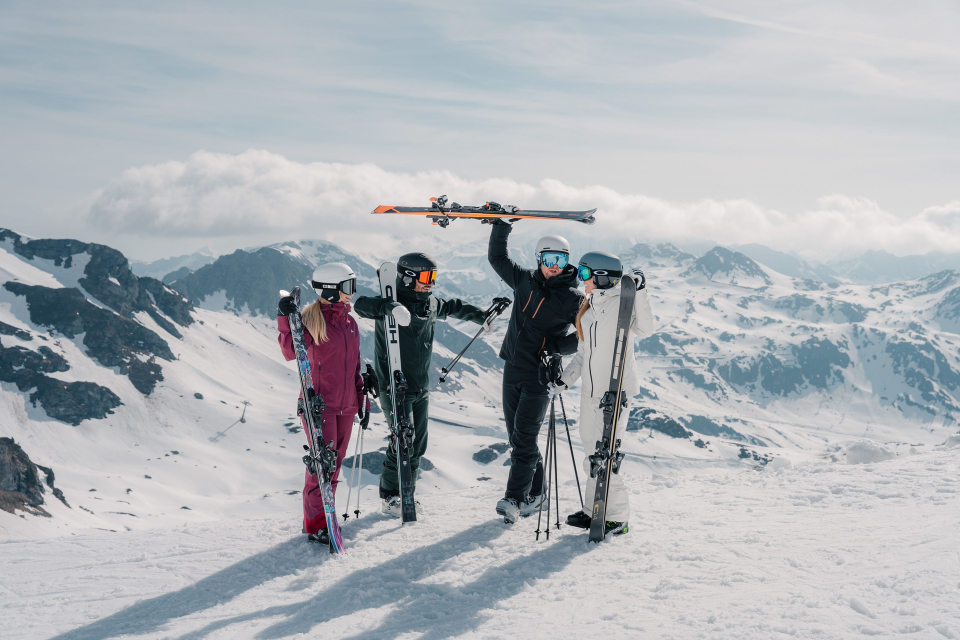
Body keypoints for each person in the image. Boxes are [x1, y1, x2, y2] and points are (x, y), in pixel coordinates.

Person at [354, 252, 493, 516]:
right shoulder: (390, 302)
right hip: (394, 387)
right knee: (402, 442)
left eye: (434, 277)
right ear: (407, 277)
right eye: (426, 277)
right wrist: (389, 308)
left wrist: (480, 316)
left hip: (420, 388)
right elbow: (361, 305)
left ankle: (407, 494)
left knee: (417, 445)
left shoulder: (429, 304)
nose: (431, 282)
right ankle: (389, 497)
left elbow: (451, 306)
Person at [487, 220, 584, 523]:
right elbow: (497, 258)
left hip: (539, 376)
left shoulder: (573, 297)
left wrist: (555, 347)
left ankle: (514, 499)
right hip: (512, 368)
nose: (556, 266)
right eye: (550, 259)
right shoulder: (524, 280)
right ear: (539, 258)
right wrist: (502, 226)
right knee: (518, 439)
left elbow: (584, 334)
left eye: (562, 260)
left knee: (525, 440)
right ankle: (537, 493)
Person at [554, 251, 654, 536]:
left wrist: (641, 292)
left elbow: (646, 329)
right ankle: (593, 510)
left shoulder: (623, 304)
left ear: (601, 277)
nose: (581, 281)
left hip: (616, 390)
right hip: (590, 392)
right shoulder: (588, 309)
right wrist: (565, 381)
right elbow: (583, 353)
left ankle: (618, 517)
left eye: (585, 275)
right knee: (591, 453)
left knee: (607, 456)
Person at [277, 263, 369, 545]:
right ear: (331, 289)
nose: (351, 294)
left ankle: (326, 516)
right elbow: (290, 351)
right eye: (347, 287)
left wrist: (361, 400)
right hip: (320, 405)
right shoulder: (312, 320)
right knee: (322, 466)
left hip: (347, 406)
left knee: (336, 464)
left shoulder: (350, 324)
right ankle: (316, 523)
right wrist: (285, 318)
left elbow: (353, 366)